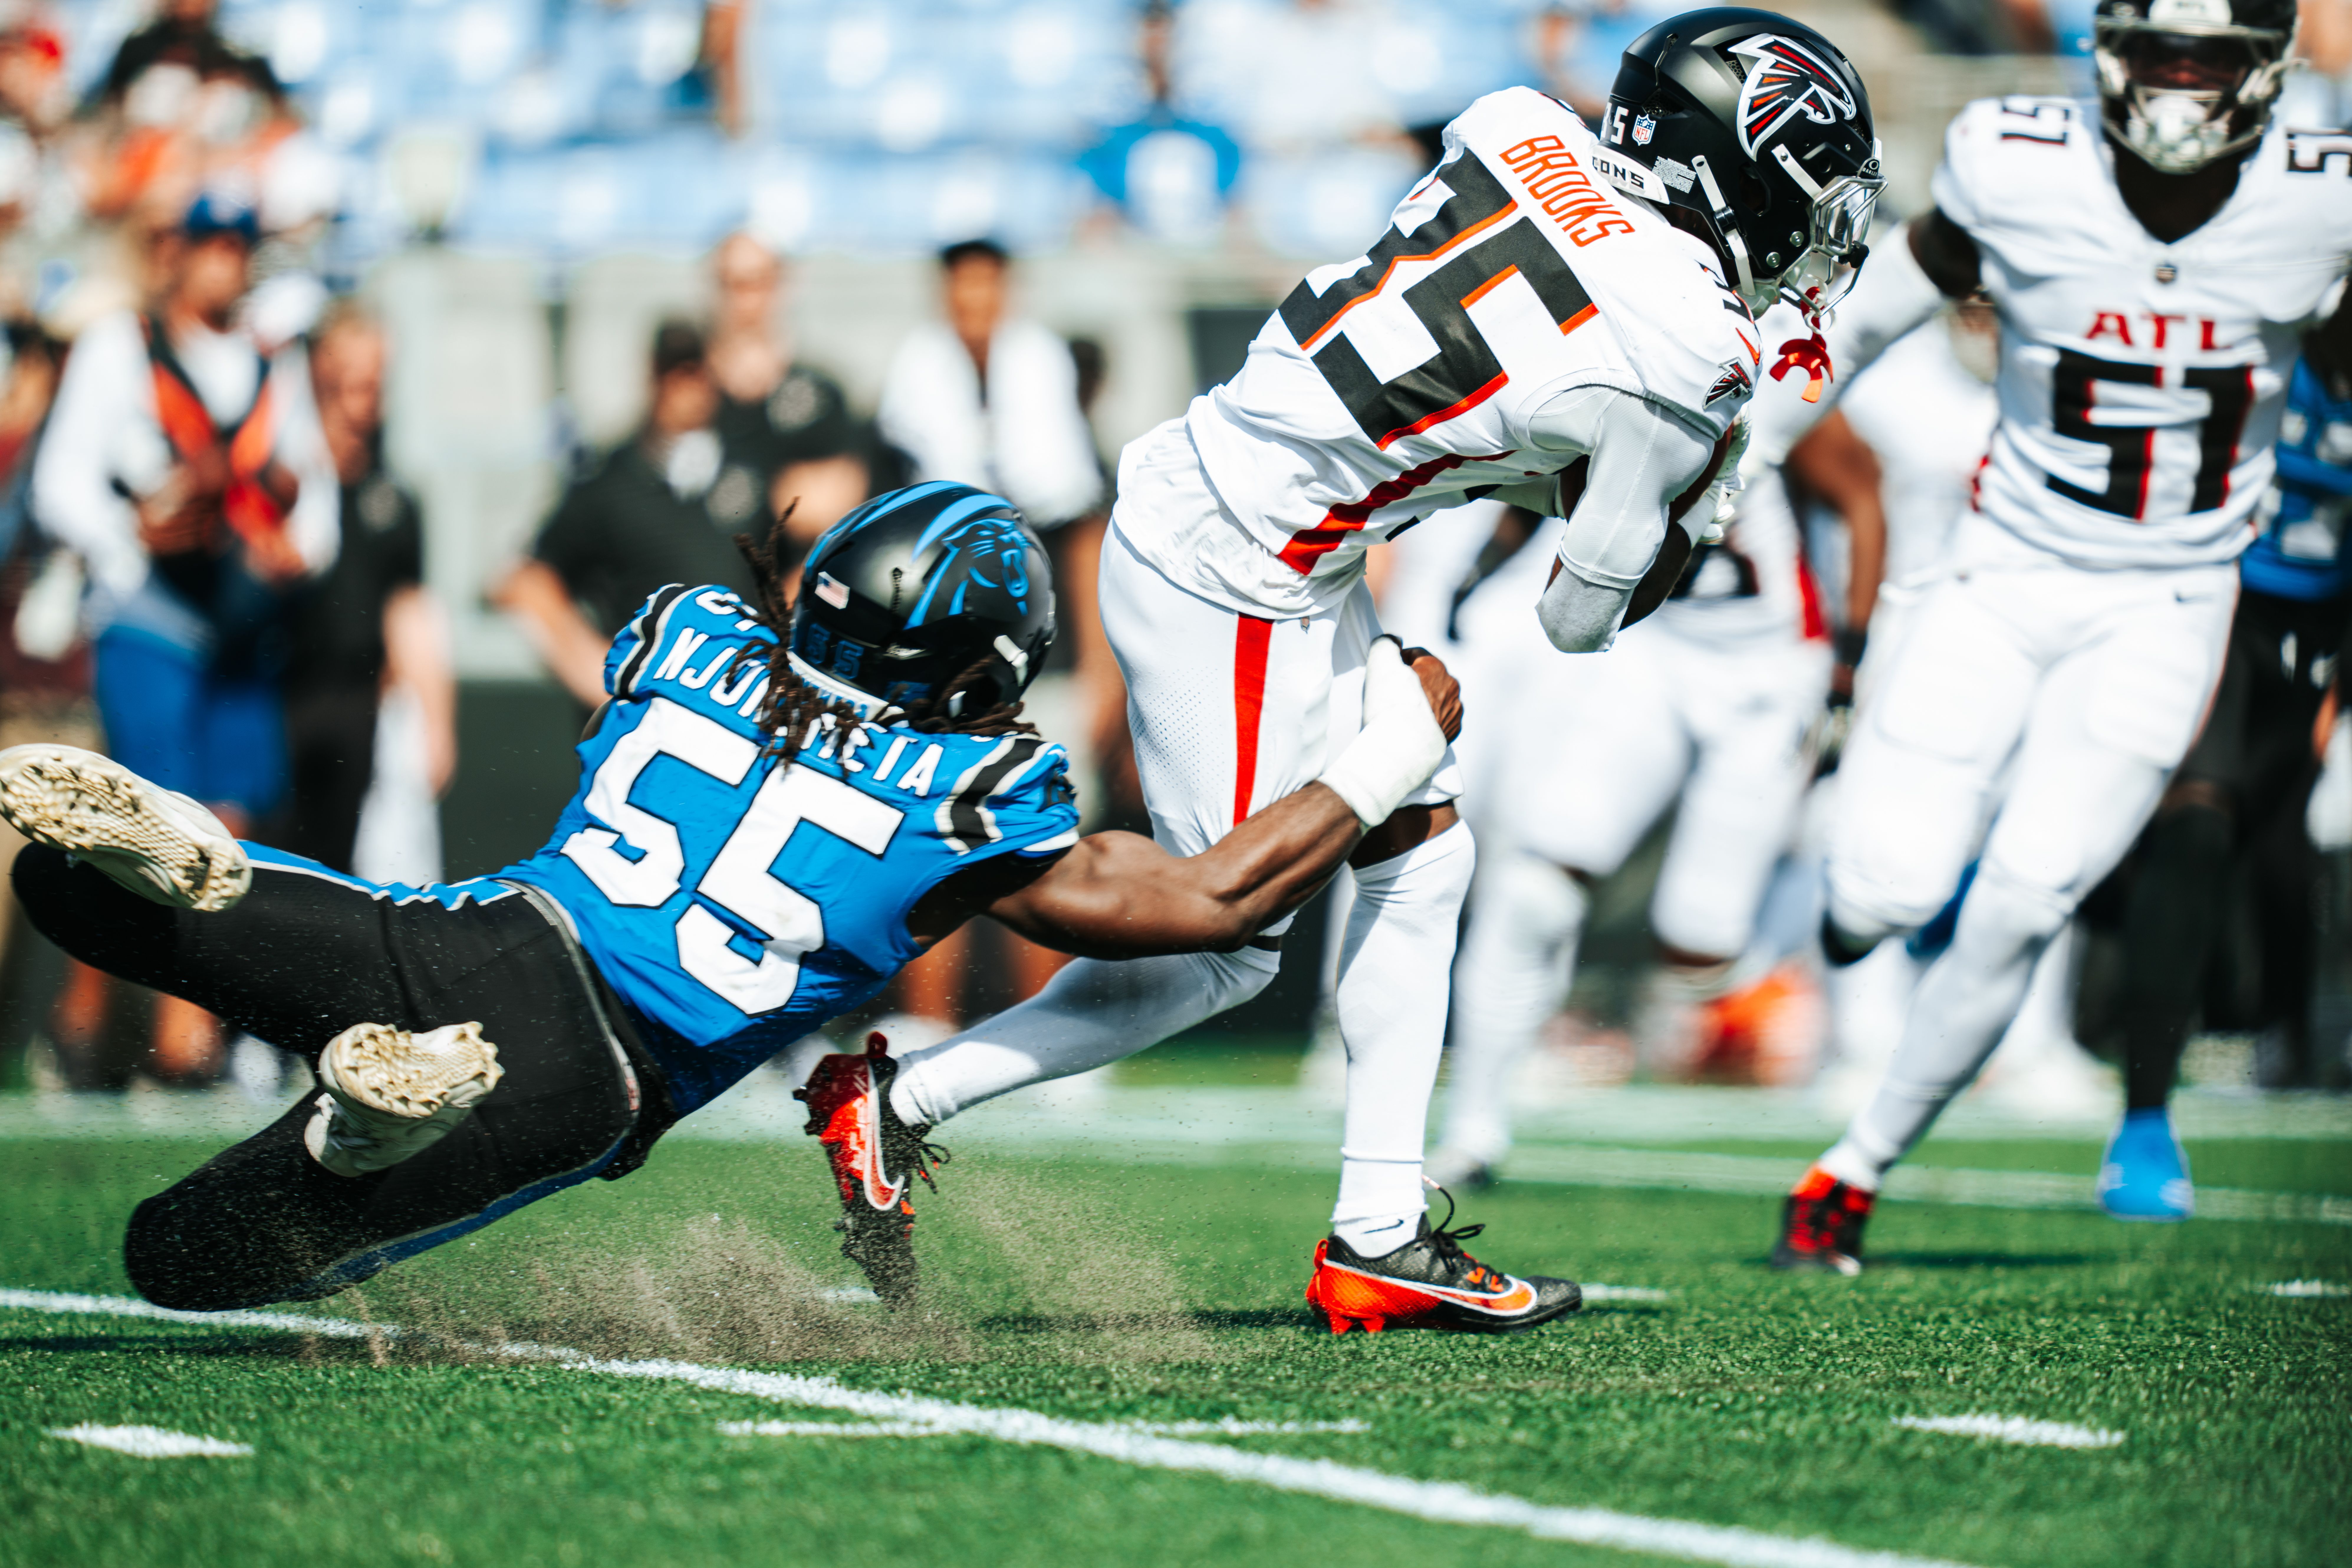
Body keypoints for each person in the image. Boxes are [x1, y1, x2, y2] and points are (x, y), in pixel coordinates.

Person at [856, 10, 1880, 1332]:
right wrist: (1694, 495)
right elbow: (1581, 617)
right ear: (1730, 167)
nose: (1808, 228)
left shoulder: (1519, 124)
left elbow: (1502, 351)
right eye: (1801, 186)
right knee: (1221, 942)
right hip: (1242, 567)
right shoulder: (1686, 349)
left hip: (1249, 513)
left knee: (1422, 845)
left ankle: (1380, 1232)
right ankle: (898, 1099)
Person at [0, 481, 1487, 1317]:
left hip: (489, 927)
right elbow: (1219, 899)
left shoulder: (686, 631)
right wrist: (1388, 743)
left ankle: (215, 877)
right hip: (587, 1070)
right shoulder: (968, 798)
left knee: (67, 885)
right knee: (187, 1258)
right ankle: (355, 1120)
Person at [1768, 0, 2348, 1273]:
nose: (2183, 87)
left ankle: (1848, 1171)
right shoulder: (2015, 162)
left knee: (2025, 902)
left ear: (2267, 73)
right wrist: (1741, 449)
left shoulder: (2321, 200)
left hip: (2169, 602)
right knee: (1881, 889)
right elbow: (1862, 319)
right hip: (2000, 573)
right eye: (2160, 56)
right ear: (2106, 57)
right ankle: (1859, 916)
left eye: (2213, 62)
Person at [1430, 307, 1885, 1187]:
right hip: (1647, 656)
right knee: (1535, 883)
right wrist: (1481, 569)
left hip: (1765, 672)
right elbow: (1549, 487)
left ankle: (1795, 1005)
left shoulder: (1778, 378)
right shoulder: (1611, 356)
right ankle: (1474, 1126)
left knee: (1699, 946)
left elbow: (1861, 495)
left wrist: (1848, 661)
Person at [30, 188, 337, 1084]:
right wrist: (136, 535)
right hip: (150, 612)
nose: (220, 261)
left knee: (229, 824)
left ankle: (191, 1025)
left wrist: (293, 551)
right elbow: (63, 480)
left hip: (242, 619)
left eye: (236, 244)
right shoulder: (123, 344)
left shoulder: (271, 360)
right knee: (146, 821)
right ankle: (96, 1023)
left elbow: (310, 495)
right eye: (205, 242)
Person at [2096, 347, 2350, 1217]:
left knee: (2284, 865)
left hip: (2318, 637)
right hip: (2216, 603)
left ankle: (2281, 1037)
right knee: (2195, 828)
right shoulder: (2273, 340)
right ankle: (2142, 1120)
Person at [496, 320, 761, 709]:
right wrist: (593, 665)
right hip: (649, 706)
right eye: (671, 373)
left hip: (740, 700)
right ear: (652, 378)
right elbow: (528, 580)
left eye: (694, 371)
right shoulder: (611, 479)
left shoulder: (751, 465)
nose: (684, 387)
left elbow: (798, 562)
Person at [280, 303, 452, 876]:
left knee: (336, 876)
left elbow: (409, 609)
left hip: (355, 704)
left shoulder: (393, 499)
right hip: (278, 696)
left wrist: (436, 723)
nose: (364, 393)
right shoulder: (283, 480)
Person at [876, 239, 1102, 531]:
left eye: (986, 283)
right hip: (950, 527)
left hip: (1047, 522)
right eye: (964, 283)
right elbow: (911, 448)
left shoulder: (1041, 352)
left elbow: (1058, 469)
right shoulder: (917, 358)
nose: (975, 298)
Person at [705, 231, 871, 557]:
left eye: (757, 282)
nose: (744, 299)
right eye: (731, 283)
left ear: (781, 285)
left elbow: (824, 511)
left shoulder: (819, 394)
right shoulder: (692, 391)